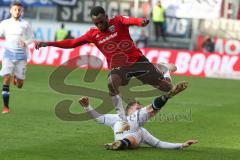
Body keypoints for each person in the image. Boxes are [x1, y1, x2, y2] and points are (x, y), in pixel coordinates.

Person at [35, 6, 187, 125]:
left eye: (101, 21)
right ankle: (122, 118)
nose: (100, 25)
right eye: (96, 23)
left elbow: (132, 20)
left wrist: (141, 22)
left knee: (168, 89)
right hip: (119, 67)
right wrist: (49, 43)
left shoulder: (118, 21)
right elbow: (72, 43)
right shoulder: (92, 34)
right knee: (111, 82)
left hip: (137, 61)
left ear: (107, 17)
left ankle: (165, 71)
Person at [79, 96, 198, 150]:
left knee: (136, 133)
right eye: (137, 108)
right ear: (128, 110)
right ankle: (166, 96)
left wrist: (181, 145)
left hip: (127, 140)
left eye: (140, 109)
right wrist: (87, 107)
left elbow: (159, 144)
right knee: (134, 126)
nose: (139, 110)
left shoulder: (143, 132)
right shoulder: (117, 118)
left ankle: (120, 144)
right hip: (127, 138)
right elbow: (99, 118)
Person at [0, 1, 33, 113]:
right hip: (8, 55)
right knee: (6, 78)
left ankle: (16, 78)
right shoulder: (4, 23)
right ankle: (6, 107)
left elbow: (31, 38)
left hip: (21, 56)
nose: (17, 11)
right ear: (11, 10)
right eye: (15, 9)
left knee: (20, 85)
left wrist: (26, 43)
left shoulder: (26, 24)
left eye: (19, 10)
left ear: (21, 11)